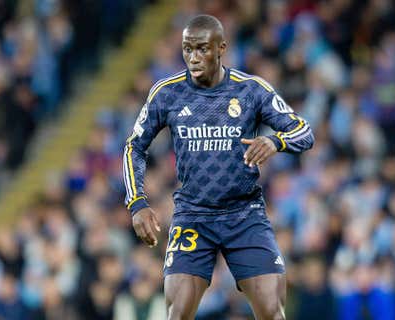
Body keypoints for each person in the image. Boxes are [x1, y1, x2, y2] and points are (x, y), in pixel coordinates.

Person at [123, 15, 314, 320]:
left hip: (244, 215)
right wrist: (137, 203)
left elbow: (304, 132)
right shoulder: (167, 93)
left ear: (221, 47)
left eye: (201, 49)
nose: (193, 57)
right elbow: (134, 146)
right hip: (193, 216)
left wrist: (276, 142)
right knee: (177, 314)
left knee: (272, 313)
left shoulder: (251, 90)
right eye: (187, 49)